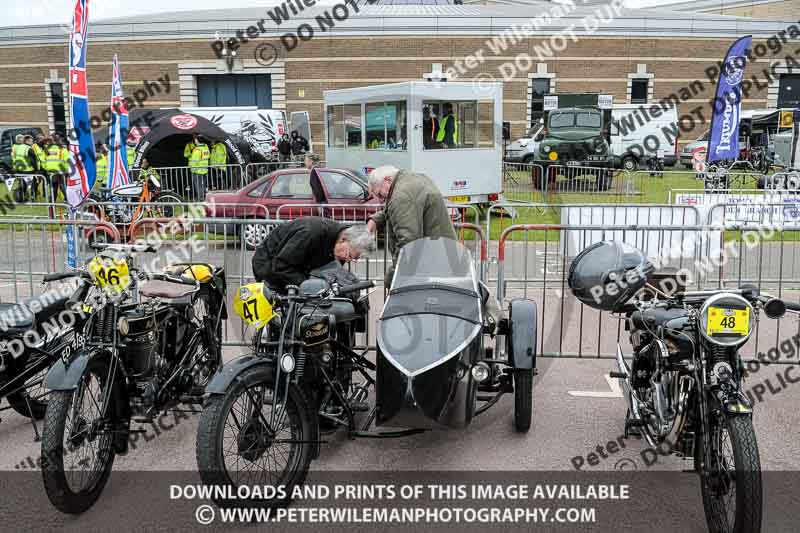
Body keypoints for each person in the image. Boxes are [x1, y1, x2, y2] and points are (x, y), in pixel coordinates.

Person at [366, 165, 456, 288]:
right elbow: (402, 205)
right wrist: (376, 220)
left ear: (387, 180)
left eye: (380, 195)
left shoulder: (401, 196)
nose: (382, 200)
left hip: (430, 264)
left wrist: (391, 277)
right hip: (441, 254)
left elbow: (408, 244)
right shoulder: (410, 179)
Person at [252, 217, 373, 292]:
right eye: (349, 255)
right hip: (268, 265)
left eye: (353, 259)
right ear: (344, 240)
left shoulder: (339, 244)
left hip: (294, 266)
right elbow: (281, 265)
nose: (348, 260)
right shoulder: (311, 234)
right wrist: (307, 285)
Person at [11, 134, 36, 201]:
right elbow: (32, 160)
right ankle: (32, 198)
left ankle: (20, 198)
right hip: (27, 169)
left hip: (18, 168)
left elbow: (14, 157)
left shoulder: (17, 147)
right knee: (31, 184)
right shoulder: (27, 148)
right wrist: (36, 168)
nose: (33, 142)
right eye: (31, 141)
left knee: (22, 185)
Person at [189, 136, 210, 201]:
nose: (195, 141)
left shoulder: (197, 149)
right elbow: (208, 156)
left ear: (198, 141)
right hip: (204, 169)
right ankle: (204, 197)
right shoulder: (205, 148)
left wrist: (191, 169)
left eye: (195, 139)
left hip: (197, 170)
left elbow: (194, 161)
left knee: (198, 186)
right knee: (203, 185)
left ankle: (200, 199)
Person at [32, 134, 48, 198]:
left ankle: (45, 194)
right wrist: (34, 167)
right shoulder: (34, 147)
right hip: (37, 168)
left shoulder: (44, 146)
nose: (43, 141)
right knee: (37, 182)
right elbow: (32, 158)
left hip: (45, 167)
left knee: (45, 182)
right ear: (38, 140)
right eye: (42, 139)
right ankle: (34, 194)